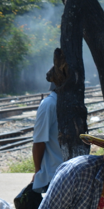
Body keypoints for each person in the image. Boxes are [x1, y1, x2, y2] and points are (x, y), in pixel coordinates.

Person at [31, 63, 66, 194]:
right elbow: (39, 142)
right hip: (55, 173)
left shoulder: (49, 104)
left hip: (54, 173)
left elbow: (38, 141)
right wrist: (38, 171)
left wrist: (37, 171)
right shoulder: (50, 104)